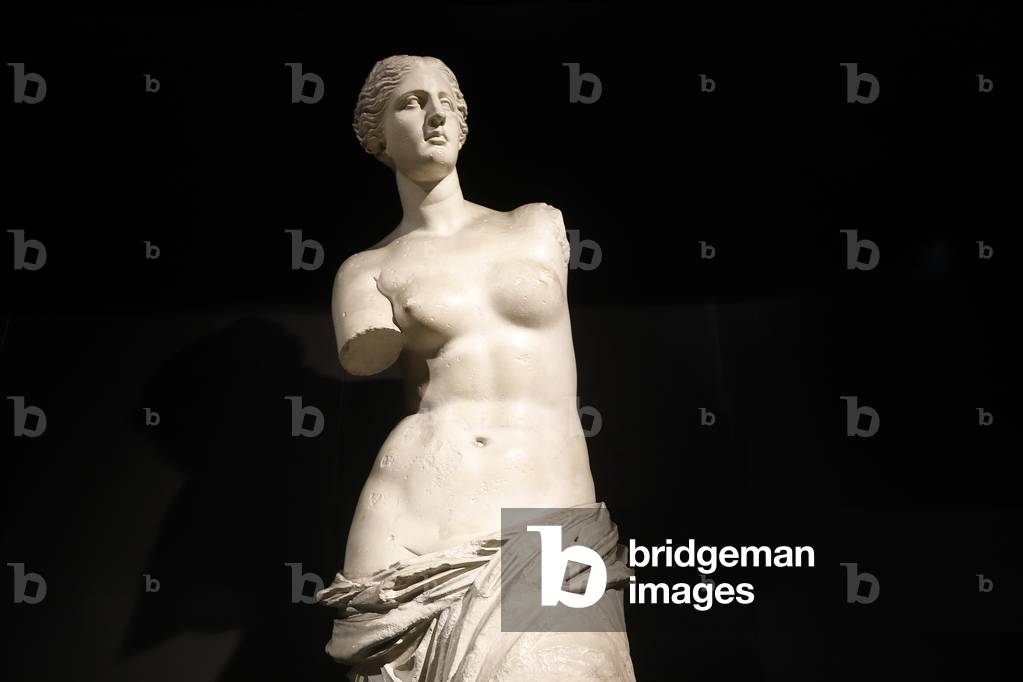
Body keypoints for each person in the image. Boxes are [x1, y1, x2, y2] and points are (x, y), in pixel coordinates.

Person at [318, 54, 636, 681]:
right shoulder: (365, 270)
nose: (435, 113)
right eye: (410, 102)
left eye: (447, 101)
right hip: (417, 519)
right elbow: (367, 347)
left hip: (550, 512)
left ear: (464, 124)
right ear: (376, 134)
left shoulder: (538, 226)